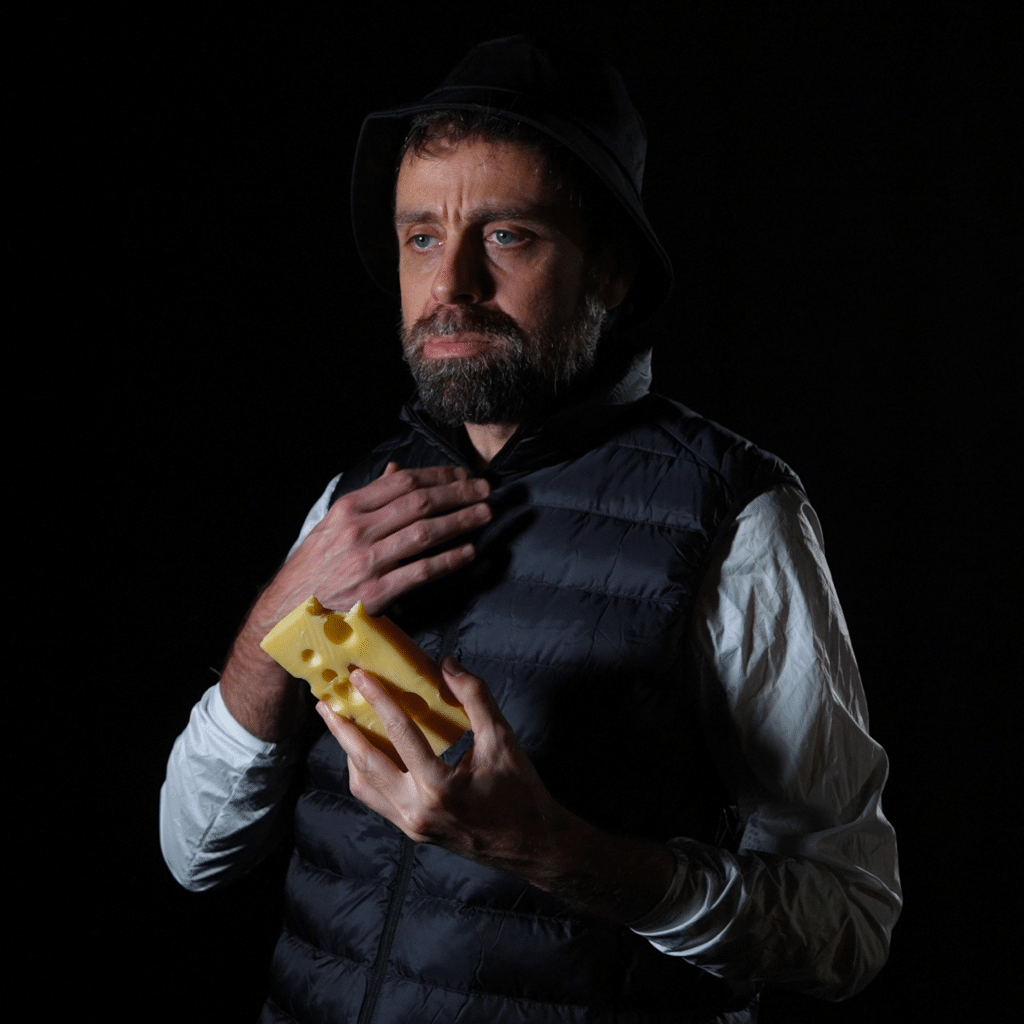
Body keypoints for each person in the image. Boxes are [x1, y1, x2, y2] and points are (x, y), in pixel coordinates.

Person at [161, 35, 901, 1024]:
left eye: (508, 235)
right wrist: (271, 623)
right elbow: (194, 853)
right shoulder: (354, 500)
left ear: (613, 270)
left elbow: (848, 924)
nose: (450, 285)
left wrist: (555, 852)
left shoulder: (734, 515)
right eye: (421, 237)